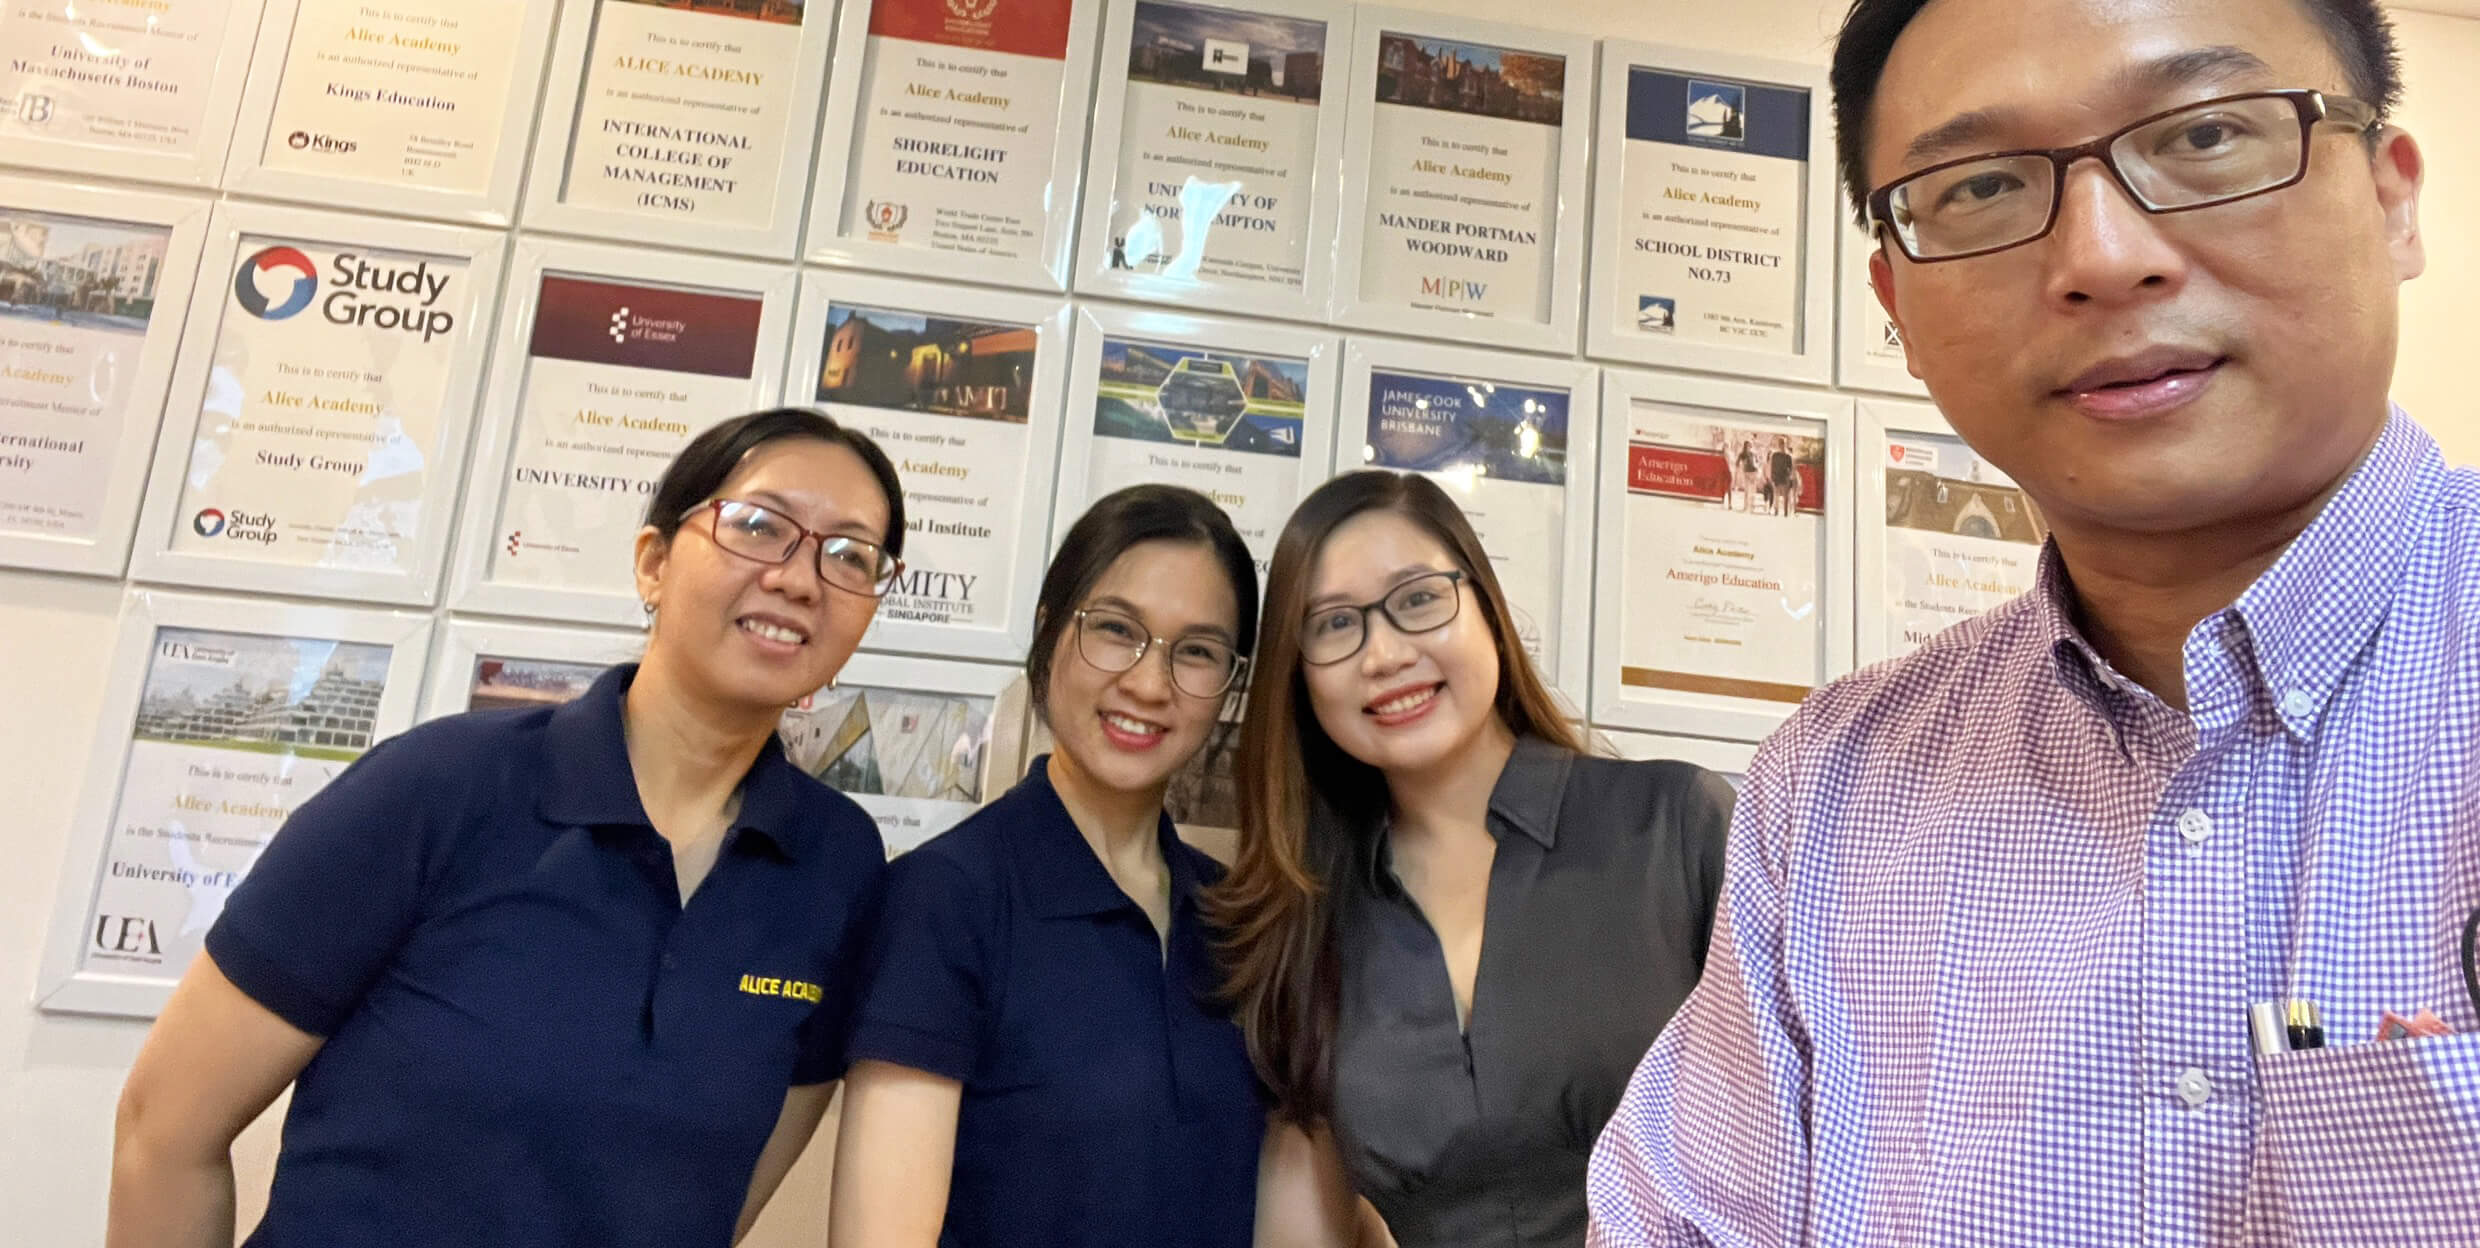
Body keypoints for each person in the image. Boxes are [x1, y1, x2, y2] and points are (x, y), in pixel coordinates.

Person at [1588, 0, 2480, 1247]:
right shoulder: (1832, 786)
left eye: (2203, 135)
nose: (2103, 257)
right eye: (1983, 188)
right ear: (1894, 301)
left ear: (2391, 195)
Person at [107, 409, 906, 1248]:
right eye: (759, 525)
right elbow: (163, 1134)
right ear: (654, 562)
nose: (801, 578)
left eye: (851, 555)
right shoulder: (440, 788)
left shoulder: (838, 865)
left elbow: (715, 1207)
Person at [1218, 471, 1733, 1248]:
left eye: (1419, 598)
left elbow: (1833, 1129)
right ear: (1299, 675)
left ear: (1487, 608)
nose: (1384, 654)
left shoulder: (1676, 827)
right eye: (1334, 624)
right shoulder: (1305, 921)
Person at [830, 484, 1266, 1248]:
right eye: (1116, 629)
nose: (1149, 683)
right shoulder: (945, 898)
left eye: (1197, 651)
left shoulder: (1238, 916)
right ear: (1048, 630)